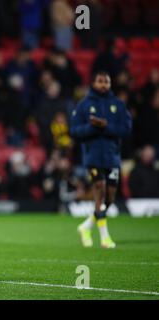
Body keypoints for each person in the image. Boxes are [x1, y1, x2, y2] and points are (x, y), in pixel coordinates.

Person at [70, 71, 132, 249]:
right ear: (94, 83)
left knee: (110, 198)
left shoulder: (118, 105)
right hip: (93, 156)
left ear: (110, 83)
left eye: (107, 81)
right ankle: (105, 238)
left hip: (112, 156)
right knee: (99, 190)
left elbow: (126, 129)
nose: (103, 84)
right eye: (100, 81)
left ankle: (86, 226)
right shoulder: (83, 105)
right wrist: (92, 128)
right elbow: (74, 131)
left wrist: (105, 126)